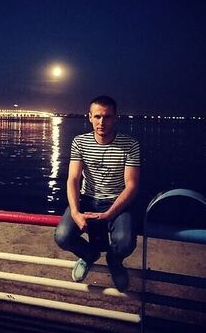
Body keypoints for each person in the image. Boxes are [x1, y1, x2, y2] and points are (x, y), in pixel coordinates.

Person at [54, 95, 140, 291]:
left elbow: (132, 185)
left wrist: (109, 214)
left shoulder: (130, 145)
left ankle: (114, 261)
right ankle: (89, 255)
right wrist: (75, 212)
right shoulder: (80, 142)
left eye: (107, 117)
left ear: (115, 118)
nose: (102, 122)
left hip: (116, 202)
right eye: (98, 116)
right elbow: (73, 179)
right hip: (87, 199)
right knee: (63, 236)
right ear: (90, 117)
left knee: (125, 243)